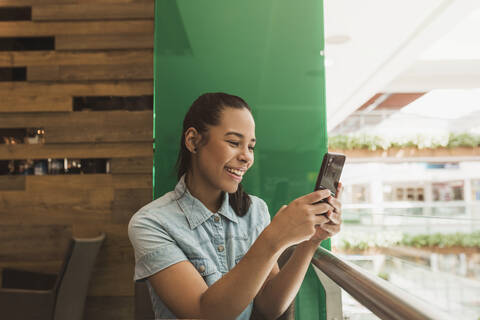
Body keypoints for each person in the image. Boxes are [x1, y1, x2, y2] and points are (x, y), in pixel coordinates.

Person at [128, 92, 343, 320]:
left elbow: (270, 307)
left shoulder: (255, 211)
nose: (247, 157)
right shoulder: (150, 223)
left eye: (250, 147)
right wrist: (273, 239)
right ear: (193, 141)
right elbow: (202, 314)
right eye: (233, 143)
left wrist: (310, 242)